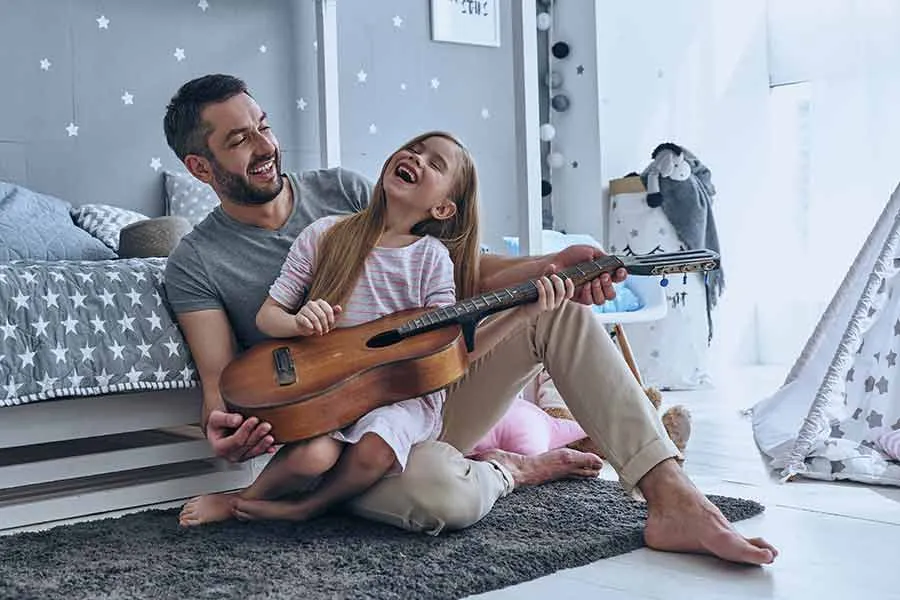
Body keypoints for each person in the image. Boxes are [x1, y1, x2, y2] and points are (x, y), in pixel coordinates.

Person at [163, 73, 778, 565]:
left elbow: (465, 273)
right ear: (200, 167)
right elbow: (220, 385)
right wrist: (224, 434)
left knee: (553, 312)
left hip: (419, 395)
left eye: (263, 127)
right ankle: (512, 468)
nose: (266, 147)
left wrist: (554, 262)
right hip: (333, 438)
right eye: (238, 141)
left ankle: (673, 500)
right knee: (440, 498)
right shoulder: (197, 261)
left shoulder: (344, 192)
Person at [178, 130, 588, 525]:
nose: (415, 157)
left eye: (434, 163)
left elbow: (450, 352)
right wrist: (296, 322)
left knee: (376, 447)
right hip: (331, 389)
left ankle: (309, 508)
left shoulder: (431, 259)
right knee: (311, 457)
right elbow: (268, 315)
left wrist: (521, 312)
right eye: (414, 148)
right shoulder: (325, 233)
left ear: (443, 209)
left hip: (401, 399)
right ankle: (244, 500)